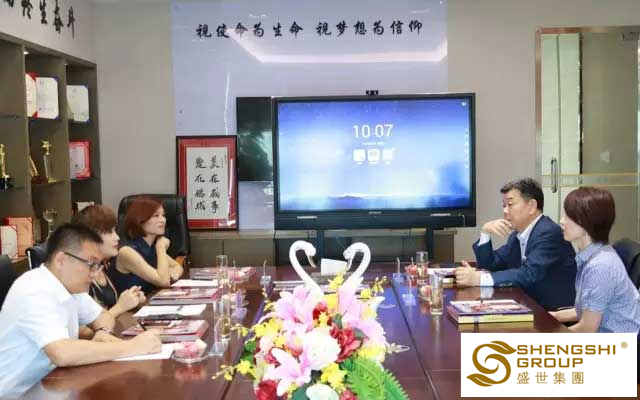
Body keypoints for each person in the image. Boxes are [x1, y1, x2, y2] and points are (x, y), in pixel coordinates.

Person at [0, 224, 161, 398]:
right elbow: (62, 353)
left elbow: (103, 316)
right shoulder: (34, 289)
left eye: (98, 265)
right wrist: (133, 346)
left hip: (51, 387)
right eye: (91, 264)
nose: (95, 274)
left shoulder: (70, 286)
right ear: (61, 260)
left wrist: (102, 332)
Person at [455, 178, 577, 310]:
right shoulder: (517, 236)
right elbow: (490, 264)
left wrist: (478, 279)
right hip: (528, 306)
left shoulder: (549, 233)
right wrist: (485, 232)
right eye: (504, 206)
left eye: (510, 204)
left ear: (532, 206)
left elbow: (528, 274)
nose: (505, 211)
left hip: (551, 314)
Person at [549, 187, 640, 333]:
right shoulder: (593, 255)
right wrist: (553, 316)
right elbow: (587, 310)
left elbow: (587, 328)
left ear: (588, 222)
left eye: (569, 216)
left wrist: (545, 338)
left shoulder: (600, 266)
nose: (561, 221)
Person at [71, 205, 146, 317]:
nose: (117, 237)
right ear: (90, 237)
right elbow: (87, 326)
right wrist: (120, 307)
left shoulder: (101, 266)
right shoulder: (78, 276)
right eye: (110, 232)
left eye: (114, 230)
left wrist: (131, 301)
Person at [111, 196, 183, 294]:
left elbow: (177, 267)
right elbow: (164, 281)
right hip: (130, 304)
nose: (163, 220)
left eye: (163, 215)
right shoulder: (127, 252)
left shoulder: (151, 247)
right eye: (156, 216)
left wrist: (171, 275)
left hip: (148, 300)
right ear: (140, 219)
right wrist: (161, 247)